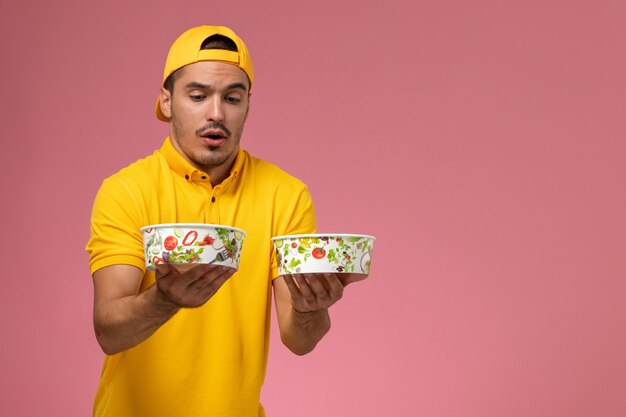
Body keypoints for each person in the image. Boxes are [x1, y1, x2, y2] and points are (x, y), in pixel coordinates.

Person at [86, 25, 347, 417]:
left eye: (232, 98)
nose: (216, 113)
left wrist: (312, 309)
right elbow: (108, 331)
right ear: (167, 101)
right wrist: (164, 299)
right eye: (198, 95)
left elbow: (298, 340)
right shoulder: (126, 191)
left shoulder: (286, 194)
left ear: (248, 105)